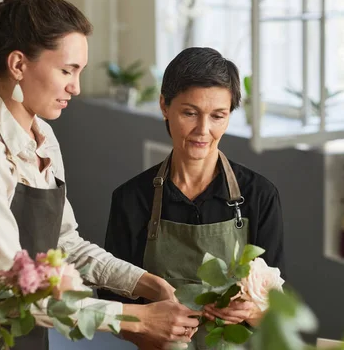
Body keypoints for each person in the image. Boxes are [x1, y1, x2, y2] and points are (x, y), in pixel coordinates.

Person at [0, 0, 199, 350]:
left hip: (26, 335)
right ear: (19, 64)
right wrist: (136, 318)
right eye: (67, 70)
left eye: (79, 72)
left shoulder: (43, 139)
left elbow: (64, 243)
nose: (77, 87)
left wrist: (145, 282)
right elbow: (11, 289)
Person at [99, 47, 285, 349]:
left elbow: (278, 307)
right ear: (164, 106)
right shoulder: (132, 199)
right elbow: (113, 305)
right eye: (190, 113)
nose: (203, 130)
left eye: (218, 116)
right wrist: (152, 327)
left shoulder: (259, 195)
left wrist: (251, 311)